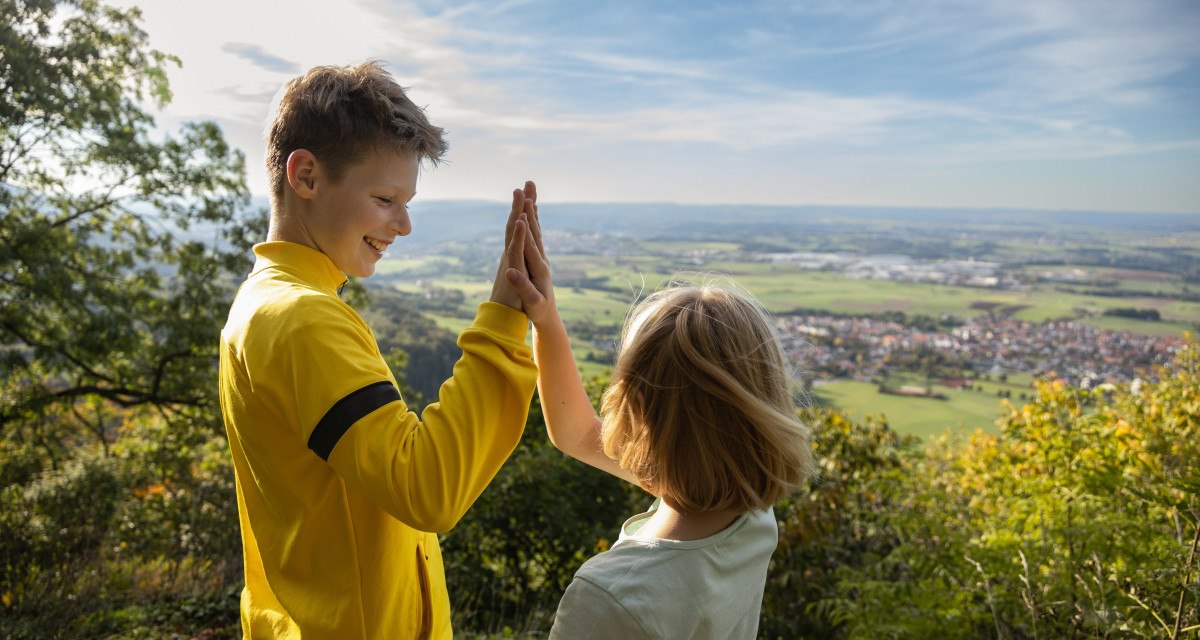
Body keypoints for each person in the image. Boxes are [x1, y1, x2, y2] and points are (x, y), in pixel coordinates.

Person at [218, 61, 548, 639]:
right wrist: (505, 320)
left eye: (407, 201)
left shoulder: (266, 302)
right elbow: (427, 489)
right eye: (384, 198)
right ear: (306, 176)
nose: (404, 224)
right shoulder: (303, 318)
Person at [505, 248, 819, 638]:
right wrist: (546, 322)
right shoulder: (752, 515)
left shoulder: (611, 599)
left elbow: (583, 437)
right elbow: (579, 435)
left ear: (636, 410)